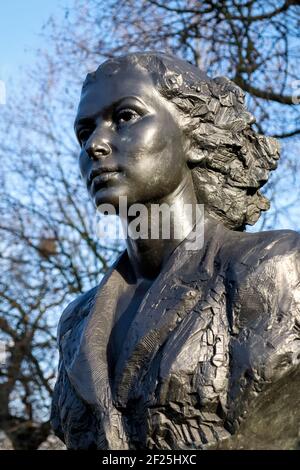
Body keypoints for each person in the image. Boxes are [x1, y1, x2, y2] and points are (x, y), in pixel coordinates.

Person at [51, 52, 300, 450]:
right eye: (84, 132)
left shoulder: (273, 267)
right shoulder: (76, 323)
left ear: (195, 137)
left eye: (126, 117)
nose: (96, 144)